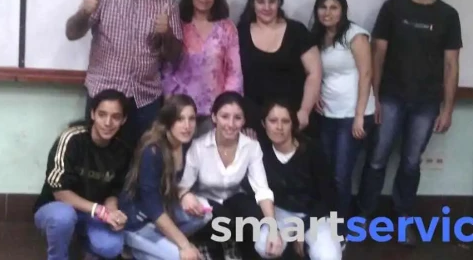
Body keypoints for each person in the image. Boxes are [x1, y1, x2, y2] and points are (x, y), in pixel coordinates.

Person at [358, 0, 462, 245]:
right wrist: (374, 98)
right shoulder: (393, 8)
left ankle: (403, 219)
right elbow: (378, 55)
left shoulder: (448, 15)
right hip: (390, 97)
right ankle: (363, 217)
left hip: (426, 103)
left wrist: (448, 109)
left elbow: (451, 65)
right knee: (376, 159)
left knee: (411, 163)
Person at [65, 0, 184, 149]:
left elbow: (174, 56)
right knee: (97, 158)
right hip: (104, 95)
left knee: (142, 160)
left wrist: (167, 34)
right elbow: (72, 33)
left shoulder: (167, 2)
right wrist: (84, 12)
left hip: (145, 99)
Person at [178, 91, 284, 259]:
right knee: (222, 221)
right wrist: (185, 195)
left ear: (244, 120)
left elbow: (262, 190)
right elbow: (183, 186)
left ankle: (243, 250)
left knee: (255, 215)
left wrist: (273, 229)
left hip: (234, 199)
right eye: (225, 116)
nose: (231, 124)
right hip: (206, 204)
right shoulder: (199, 147)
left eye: (237, 118)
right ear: (214, 117)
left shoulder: (251, 146)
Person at [32, 89, 134, 260]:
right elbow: (60, 192)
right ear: (92, 114)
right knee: (63, 218)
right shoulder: (72, 139)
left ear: (123, 120)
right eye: (102, 114)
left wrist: (112, 212)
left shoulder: (123, 150)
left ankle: (84, 244)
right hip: (57, 207)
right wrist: (99, 210)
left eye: (116, 117)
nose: (108, 122)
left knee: (111, 247)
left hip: (92, 213)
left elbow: (114, 191)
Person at [310, 0, 376, 222]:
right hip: (328, 114)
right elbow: (318, 71)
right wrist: (315, 93)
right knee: (327, 172)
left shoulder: (355, 35)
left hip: (352, 116)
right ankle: (327, 222)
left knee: (341, 175)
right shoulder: (318, 36)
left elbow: (366, 73)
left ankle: (341, 227)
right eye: (323, 7)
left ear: (343, 10)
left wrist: (359, 115)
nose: (327, 12)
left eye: (333, 7)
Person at [119, 94, 212, 260]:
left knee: (204, 212)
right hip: (138, 221)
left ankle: (158, 245)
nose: (187, 126)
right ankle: (137, 248)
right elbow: (153, 207)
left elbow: (177, 185)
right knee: (181, 257)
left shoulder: (186, 145)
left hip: (164, 211)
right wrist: (184, 244)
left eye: (191, 119)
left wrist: (184, 193)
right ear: (168, 121)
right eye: (180, 119)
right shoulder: (153, 151)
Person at [254, 99, 343, 260]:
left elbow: (329, 197)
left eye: (285, 121)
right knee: (263, 246)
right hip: (280, 213)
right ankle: (290, 250)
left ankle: (314, 246)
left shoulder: (312, 150)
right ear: (263, 124)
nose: (279, 127)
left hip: (314, 215)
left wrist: (302, 229)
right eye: (273, 121)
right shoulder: (260, 153)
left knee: (329, 257)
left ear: (292, 124)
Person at [162, 0, 243, 137]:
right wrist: (169, 100)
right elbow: (167, 68)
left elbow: (234, 73)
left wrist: (227, 107)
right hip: (180, 110)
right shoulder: (178, 24)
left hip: (214, 112)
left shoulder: (227, 28)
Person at [237, 0, 322, 139]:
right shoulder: (240, 32)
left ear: (279, 3)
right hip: (253, 120)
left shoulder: (297, 31)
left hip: (292, 117)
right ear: (253, 4)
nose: (267, 7)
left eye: (272, 1)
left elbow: (314, 73)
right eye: (261, 2)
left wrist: (304, 111)